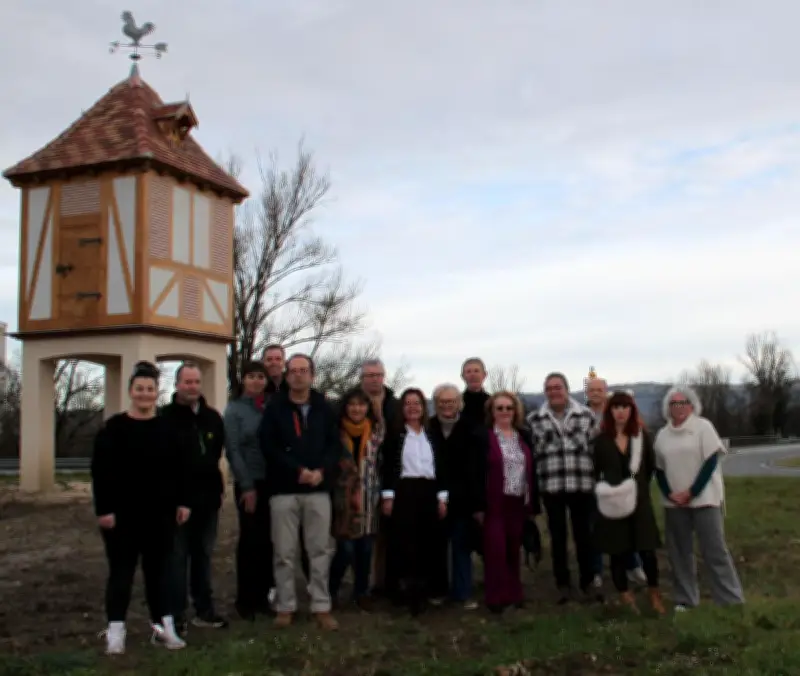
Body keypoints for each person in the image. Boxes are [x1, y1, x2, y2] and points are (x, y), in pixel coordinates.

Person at [91, 361, 190, 654]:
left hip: (160, 514)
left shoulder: (168, 429)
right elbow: (101, 472)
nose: (145, 394)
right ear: (130, 391)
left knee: (159, 574)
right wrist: (104, 510)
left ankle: (164, 627)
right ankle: (115, 631)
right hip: (122, 516)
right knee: (121, 573)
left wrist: (183, 501)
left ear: (157, 393)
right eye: (139, 389)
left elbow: (181, 469)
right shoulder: (113, 429)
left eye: (150, 389)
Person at [260, 353, 341, 630]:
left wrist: (321, 471)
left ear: (312, 375)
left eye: (303, 370)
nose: (298, 375)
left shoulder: (325, 408)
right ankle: (285, 606)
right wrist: (297, 470)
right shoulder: (275, 408)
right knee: (284, 552)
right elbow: (269, 446)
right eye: (293, 371)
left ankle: (321, 605)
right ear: (286, 375)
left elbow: (334, 445)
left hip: (318, 489)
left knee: (319, 550)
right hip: (284, 490)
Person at [654, 387, 745, 612]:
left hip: (705, 499)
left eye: (683, 402)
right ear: (668, 408)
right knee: (679, 553)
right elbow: (659, 469)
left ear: (692, 405)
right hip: (674, 503)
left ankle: (730, 599)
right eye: (674, 403)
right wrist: (669, 493)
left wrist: (692, 492)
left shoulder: (703, 427)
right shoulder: (662, 435)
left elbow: (711, 461)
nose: (679, 407)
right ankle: (685, 599)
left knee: (715, 550)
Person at [161, 362, 227, 634]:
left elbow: (214, 454)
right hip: (176, 503)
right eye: (187, 382)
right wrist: (179, 498)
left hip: (208, 500)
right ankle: (176, 615)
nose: (192, 387)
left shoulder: (212, 417)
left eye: (196, 382)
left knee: (203, 557)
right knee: (176, 559)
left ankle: (204, 610)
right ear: (177, 384)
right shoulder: (164, 418)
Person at [527, 372, 598, 604]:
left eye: (558, 387)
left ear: (567, 389)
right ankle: (563, 584)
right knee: (557, 538)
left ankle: (588, 581)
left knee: (584, 536)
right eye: (549, 388)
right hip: (552, 486)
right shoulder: (534, 420)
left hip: (582, 484)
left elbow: (595, 450)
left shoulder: (586, 415)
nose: (554, 392)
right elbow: (533, 454)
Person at [592, 390, 664, 615]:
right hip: (613, 504)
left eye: (625, 407)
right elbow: (596, 470)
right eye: (616, 407)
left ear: (632, 410)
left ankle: (654, 593)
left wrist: (637, 490)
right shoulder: (601, 441)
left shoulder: (642, 437)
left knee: (647, 551)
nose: (620, 412)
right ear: (610, 411)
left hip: (640, 502)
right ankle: (624, 594)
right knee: (617, 552)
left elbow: (650, 468)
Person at [381, 388, 448, 616]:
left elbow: (441, 467)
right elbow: (388, 467)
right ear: (402, 408)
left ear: (423, 407)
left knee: (428, 542)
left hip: (429, 491)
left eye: (417, 403)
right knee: (404, 542)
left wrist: (442, 497)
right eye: (408, 403)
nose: (412, 407)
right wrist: (388, 496)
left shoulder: (432, 434)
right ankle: (403, 592)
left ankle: (426, 590)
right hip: (404, 492)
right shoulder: (395, 435)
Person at [474, 391, 540, 613]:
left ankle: (514, 594)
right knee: (496, 550)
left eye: (508, 408)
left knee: (513, 549)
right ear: (492, 412)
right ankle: (496, 598)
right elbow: (475, 473)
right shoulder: (483, 438)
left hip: (518, 502)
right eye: (499, 408)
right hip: (494, 503)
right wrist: (478, 506)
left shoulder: (523, 436)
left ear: (515, 411)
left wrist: (533, 504)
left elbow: (532, 471)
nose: (504, 412)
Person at [586, 377, 647, 591]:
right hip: (594, 479)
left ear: (605, 391)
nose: (595, 393)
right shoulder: (581, 415)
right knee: (595, 526)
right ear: (586, 393)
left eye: (599, 389)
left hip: (621, 479)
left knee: (625, 524)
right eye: (591, 390)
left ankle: (633, 565)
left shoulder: (617, 411)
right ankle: (596, 571)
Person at [224, 361, 274, 621]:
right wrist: (246, 486)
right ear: (243, 380)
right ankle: (246, 600)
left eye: (260, 377)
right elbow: (233, 450)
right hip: (249, 482)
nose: (256, 381)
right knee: (250, 541)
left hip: (272, 481)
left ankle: (263, 597)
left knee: (268, 541)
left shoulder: (270, 407)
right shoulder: (235, 410)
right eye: (251, 376)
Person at [329, 387, 385, 611]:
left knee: (365, 549)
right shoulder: (336, 433)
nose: (356, 409)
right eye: (352, 404)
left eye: (361, 404)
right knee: (345, 549)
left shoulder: (376, 432)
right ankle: (331, 589)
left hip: (369, 497)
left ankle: (361, 592)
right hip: (342, 497)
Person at [427, 383, 481, 610]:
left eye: (451, 401)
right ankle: (437, 591)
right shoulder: (428, 428)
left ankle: (463, 592)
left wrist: (476, 502)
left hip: (463, 497)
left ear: (459, 403)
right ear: (436, 404)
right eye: (442, 402)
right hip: (433, 495)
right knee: (435, 547)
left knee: (461, 546)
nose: (446, 405)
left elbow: (477, 468)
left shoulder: (471, 428)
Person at [359, 358, 400, 597]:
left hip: (389, 474)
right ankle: (362, 584)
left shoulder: (394, 405)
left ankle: (382, 582)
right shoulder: (352, 403)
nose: (375, 379)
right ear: (362, 379)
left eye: (378, 375)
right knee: (363, 534)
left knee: (386, 534)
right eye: (370, 375)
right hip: (361, 476)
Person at [460, 358, 491, 431]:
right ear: (463, 376)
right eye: (468, 372)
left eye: (476, 371)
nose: (472, 375)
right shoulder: (456, 403)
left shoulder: (493, 403)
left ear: (484, 375)